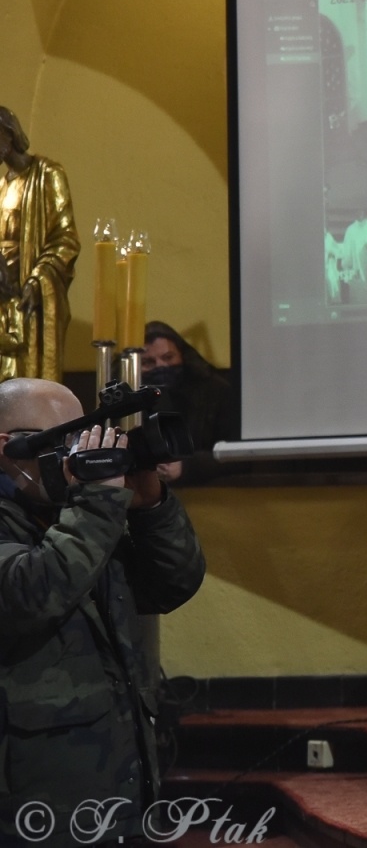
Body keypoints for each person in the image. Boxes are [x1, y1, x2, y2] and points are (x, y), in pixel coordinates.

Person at [0, 377, 206, 845]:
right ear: (8, 447)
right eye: (67, 439)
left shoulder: (72, 514)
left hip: (118, 785)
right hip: (31, 809)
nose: (77, 452)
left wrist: (150, 503)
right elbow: (31, 595)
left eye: (85, 438)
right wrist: (96, 500)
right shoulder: (81, 513)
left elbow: (171, 585)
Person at [0, 106, 79, 382]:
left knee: (33, 379)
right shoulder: (1, 186)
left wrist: (37, 280)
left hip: (34, 294)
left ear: (9, 135)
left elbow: (65, 238)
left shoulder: (47, 174)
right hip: (5, 300)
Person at [142, 321, 237, 486]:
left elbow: (235, 454)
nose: (161, 366)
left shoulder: (215, 390)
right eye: (149, 362)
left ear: (182, 355)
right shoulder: (129, 397)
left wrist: (186, 467)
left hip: (211, 494)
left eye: (168, 357)